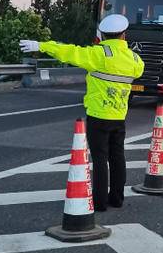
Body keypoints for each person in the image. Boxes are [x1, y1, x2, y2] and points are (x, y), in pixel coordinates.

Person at [19, 14, 144, 211]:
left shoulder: (98, 55)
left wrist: (42, 45)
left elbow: (69, 52)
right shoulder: (135, 60)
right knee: (117, 157)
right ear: (123, 36)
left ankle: (100, 203)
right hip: (119, 116)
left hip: (98, 116)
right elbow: (138, 71)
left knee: (100, 158)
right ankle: (117, 199)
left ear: (102, 36)